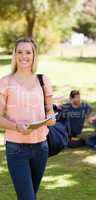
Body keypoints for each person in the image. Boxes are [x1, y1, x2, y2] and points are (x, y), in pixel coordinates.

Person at [0, 37, 55, 200]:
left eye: (28, 52)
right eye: (20, 52)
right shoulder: (5, 82)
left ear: (34, 55)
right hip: (16, 149)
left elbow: (50, 110)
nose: (24, 56)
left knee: (30, 196)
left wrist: (51, 118)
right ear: (15, 55)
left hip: (41, 148)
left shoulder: (43, 80)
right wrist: (16, 126)